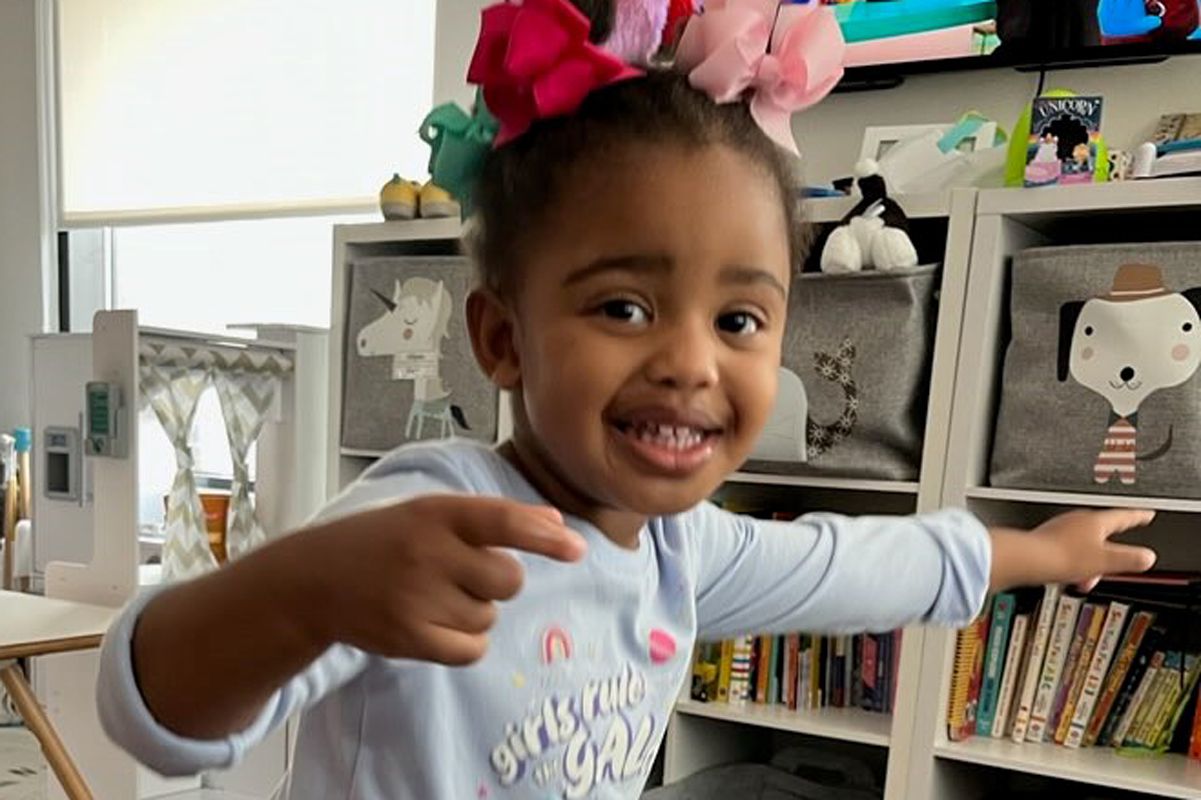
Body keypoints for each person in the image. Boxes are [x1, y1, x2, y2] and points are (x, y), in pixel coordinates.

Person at [97, 1, 1157, 797]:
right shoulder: (429, 519)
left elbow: (858, 563)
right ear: (502, 338)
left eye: (738, 319)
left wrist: (1041, 553)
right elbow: (154, 715)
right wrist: (306, 592)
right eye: (622, 306)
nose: (690, 362)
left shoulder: (676, 548)